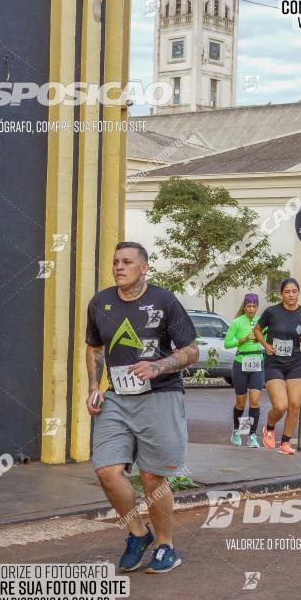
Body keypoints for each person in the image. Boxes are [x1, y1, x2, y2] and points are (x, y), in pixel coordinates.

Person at [85, 241, 199, 572]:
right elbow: (94, 348)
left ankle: (166, 546)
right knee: (107, 470)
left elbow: (192, 351)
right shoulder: (101, 303)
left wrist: (158, 366)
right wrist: (94, 387)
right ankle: (138, 532)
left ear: (144, 267)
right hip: (117, 397)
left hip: (160, 394)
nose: (119, 267)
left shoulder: (164, 302)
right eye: (115, 262)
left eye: (127, 262)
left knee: (151, 476)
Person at [252, 277, 301, 454]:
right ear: (281, 294)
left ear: (298, 293)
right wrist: (266, 345)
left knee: (295, 405)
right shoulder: (272, 312)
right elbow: (257, 330)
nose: (291, 295)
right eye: (287, 292)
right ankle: (269, 428)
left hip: (295, 364)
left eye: (294, 291)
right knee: (280, 405)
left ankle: (285, 443)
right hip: (274, 363)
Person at [223, 293, 264, 448]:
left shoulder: (262, 322)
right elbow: (227, 343)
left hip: (257, 364)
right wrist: (243, 339)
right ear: (244, 307)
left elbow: (267, 339)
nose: (251, 309)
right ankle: (237, 430)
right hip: (241, 364)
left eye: (254, 306)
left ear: (257, 307)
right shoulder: (237, 322)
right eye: (249, 306)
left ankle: (252, 435)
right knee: (241, 403)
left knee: (254, 401)